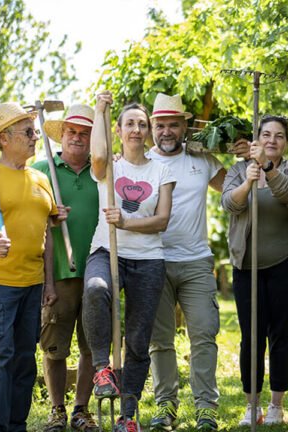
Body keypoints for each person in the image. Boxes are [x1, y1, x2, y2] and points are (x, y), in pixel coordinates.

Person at [0, 102, 66, 432]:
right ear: (4, 139)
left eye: (35, 131)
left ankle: (15, 426)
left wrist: (49, 283)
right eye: (28, 132)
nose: (35, 137)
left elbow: (47, 235)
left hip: (33, 284)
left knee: (23, 361)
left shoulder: (40, 179)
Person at [146, 94, 249, 431]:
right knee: (160, 339)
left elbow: (232, 193)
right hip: (153, 261)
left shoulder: (202, 160)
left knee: (204, 333)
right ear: (152, 127)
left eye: (173, 124)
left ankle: (206, 407)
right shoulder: (141, 162)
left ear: (184, 126)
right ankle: (166, 407)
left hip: (196, 261)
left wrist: (244, 158)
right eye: (159, 125)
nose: (166, 131)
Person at [82, 93, 176, 432]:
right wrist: (99, 110)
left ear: (148, 131)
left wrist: (125, 222)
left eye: (142, 124)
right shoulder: (110, 167)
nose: (136, 129)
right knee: (95, 289)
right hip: (107, 250)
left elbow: (162, 220)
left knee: (138, 341)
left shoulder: (161, 171)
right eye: (130, 124)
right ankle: (102, 368)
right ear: (119, 130)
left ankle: (129, 415)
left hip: (148, 259)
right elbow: (97, 154)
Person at [221, 115, 288, 426]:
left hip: (285, 265)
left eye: (279, 136)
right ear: (257, 138)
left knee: (281, 336)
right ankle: (251, 405)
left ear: (286, 142)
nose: (272, 140)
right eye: (266, 134)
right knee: (251, 338)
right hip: (248, 267)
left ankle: (276, 405)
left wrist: (267, 169)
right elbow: (230, 204)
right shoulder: (238, 170)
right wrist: (248, 179)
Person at [33, 104, 99, 432]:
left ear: (92, 139)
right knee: (55, 345)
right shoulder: (42, 169)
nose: (77, 138)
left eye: (84, 133)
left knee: (92, 345)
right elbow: (28, 220)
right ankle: (57, 410)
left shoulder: (103, 171)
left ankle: (81, 410)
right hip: (57, 272)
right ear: (63, 135)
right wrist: (48, 215)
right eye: (72, 132)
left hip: (97, 273)